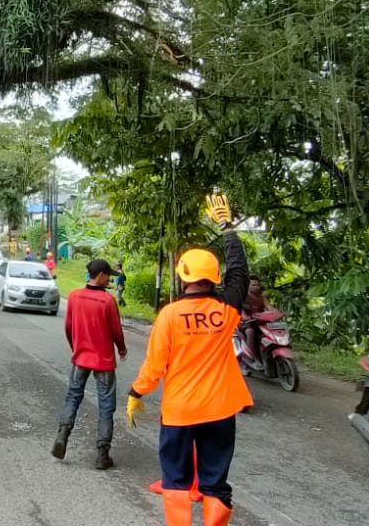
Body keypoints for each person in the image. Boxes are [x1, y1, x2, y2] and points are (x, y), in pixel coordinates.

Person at [127, 194, 251, 526]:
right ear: (213, 277)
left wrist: (137, 393)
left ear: (183, 276)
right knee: (214, 483)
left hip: (180, 413)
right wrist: (227, 228)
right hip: (220, 411)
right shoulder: (227, 311)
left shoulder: (169, 315)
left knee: (177, 482)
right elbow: (240, 272)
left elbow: (155, 365)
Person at [53, 258, 128, 470]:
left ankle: (62, 435)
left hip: (81, 358)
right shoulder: (108, 301)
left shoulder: (75, 297)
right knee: (106, 407)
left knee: (73, 397)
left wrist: (75, 347)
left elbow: (68, 328)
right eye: (108, 276)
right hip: (103, 362)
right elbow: (116, 331)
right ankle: (102, 454)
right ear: (101, 275)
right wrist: (121, 348)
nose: (109, 280)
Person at [239, 275, 272, 365]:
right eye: (253, 285)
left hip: (260, 322)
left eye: (257, 285)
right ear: (247, 285)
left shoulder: (262, 297)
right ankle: (253, 356)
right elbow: (243, 314)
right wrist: (246, 316)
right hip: (246, 323)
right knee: (250, 332)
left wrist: (278, 313)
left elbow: (270, 308)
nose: (256, 287)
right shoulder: (242, 297)